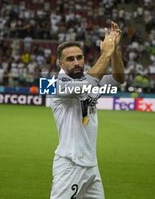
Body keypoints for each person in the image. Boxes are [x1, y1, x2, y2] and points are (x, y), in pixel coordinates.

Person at [49, 21, 125, 199]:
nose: (76, 62)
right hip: (70, 164)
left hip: (91, 165)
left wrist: (114, 51)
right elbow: (87, 85)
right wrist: (106, 53)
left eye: (79, 57)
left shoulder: (88, 78)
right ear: (60, 64)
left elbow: (118, 78)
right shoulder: (55, 85)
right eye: (70, 59)